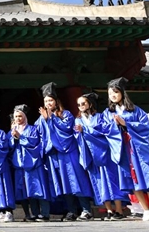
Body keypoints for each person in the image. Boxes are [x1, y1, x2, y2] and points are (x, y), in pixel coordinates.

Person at [101, 77, 149, 221]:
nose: (113, 96)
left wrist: (126, 123)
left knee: (147, 176)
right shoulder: (108, 112)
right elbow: (104, 129)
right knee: (132, 179)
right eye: (110, 94)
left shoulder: (135, 110)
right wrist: (115, 126)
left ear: (122, 92)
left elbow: (145, 127)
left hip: (136, 148)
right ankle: (145, 210)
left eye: (115, 92)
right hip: (122, 150)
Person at [35, 82, 93, 221]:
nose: (48, 103)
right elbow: (39, 134)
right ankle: (71, 211)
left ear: (56, 101)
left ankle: (86, 210)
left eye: (50, 100)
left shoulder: (65, 114)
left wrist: (51, 118)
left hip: (69, 152)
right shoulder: (41, 118)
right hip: (54, 155)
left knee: (76, 179)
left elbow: (67, 129)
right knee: (64, 183)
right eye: (46, 101)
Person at [74, 92, 131, 220]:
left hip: (105, 153)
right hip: (91, 155)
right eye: (79, 105)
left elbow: (104, 131)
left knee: (113, 181)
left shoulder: (100, 117)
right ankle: (109, 210)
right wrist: (80, 133)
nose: (81, 106)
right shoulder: (77, 120)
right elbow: (77, 137)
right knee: (100, 184)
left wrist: (86, 131)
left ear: (90, 104)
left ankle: (119, 210)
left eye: (83, 103)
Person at [9, 104, 50, 222]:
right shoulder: (12, 131)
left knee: (39, 189)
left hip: (34, 164)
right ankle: (34, 214)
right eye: (16, 116)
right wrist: (13, 137)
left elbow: (34, 143)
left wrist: (20, 137)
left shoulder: (32, 129)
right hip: (19, 165)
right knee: (28, 191)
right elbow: (9, 147)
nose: (18, 119)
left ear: (25, 117)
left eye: (20, 116)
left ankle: (45, 213)